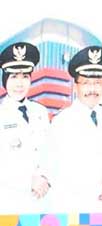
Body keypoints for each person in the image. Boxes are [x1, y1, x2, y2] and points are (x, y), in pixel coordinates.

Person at [49, 45, 102, 211]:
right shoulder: (61, 122)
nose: (92, 90)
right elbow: (57, 170)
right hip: (75, 209)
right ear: (75, 86)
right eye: (86, 83)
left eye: (97, 83)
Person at [0, 42, 50, 213]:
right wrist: (28, 181)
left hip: (43, 201)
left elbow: (50, 153)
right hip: (9, 203)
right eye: (14, 77)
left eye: (25, 77)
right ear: (5, 80)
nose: (20, 84)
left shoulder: (41, 111)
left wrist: (46, 178)